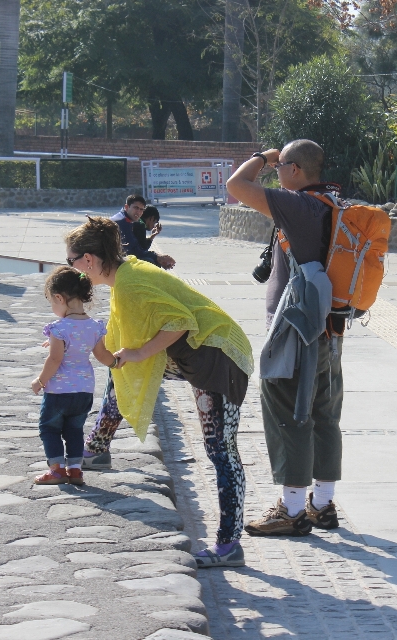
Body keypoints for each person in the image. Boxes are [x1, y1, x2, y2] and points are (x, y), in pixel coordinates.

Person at [67, 217, 253, 568]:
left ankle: (229, 544)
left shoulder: (131, 282)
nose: (73, 269)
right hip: (199, 354)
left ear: (89, 259)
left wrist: (137, 353)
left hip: (219, 356)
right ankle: (96, 446)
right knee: (122, 370)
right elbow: (122, 333)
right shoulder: (126, 273)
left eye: (71, 261)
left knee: (220, 448)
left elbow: (181, 321)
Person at [226, 140, 343, 537]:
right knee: (325, 415)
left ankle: (291, 510)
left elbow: (236, 186)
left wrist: (263, 157)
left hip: (294, 329)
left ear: (294, 169)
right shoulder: (332, 202)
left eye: (281, 167)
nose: (276, 172)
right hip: (329, 328)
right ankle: (322, 505)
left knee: (288, 411)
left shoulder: (298, 205)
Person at [30, 266, 115, 487]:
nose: (53, 307)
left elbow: (55, 360)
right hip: (84, 391)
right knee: (74, 430)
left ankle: (57, 470)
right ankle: (75, 470)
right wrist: (117, 361)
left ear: (59, 297)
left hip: (59, 391)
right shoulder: (94, 326)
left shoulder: (58, 329)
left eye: (52, 302)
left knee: (49, 428)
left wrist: (40, 381)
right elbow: (102, 355)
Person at [110, 195, 176, 269]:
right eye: (136, 208)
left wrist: (157, 256)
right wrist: (157, 256)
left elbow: (135, 247)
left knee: (152, 261)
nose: (138, 212)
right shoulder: (122, 222)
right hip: (111, 262)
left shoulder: (126, 218)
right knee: (150, 263)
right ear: (126, 207)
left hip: (116, 258)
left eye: (141, 209)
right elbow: (132, 251)